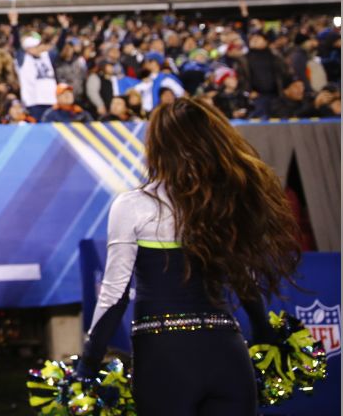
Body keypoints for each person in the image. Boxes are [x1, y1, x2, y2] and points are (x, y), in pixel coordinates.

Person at [79, 97, 300, 415]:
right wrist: (265, 334)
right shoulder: (224, 206)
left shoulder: (133, 206)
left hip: (164, 359)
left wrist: (88, 362)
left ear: (157, 146)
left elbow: (115, 295)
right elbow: (244, 283)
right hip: (228, 353)